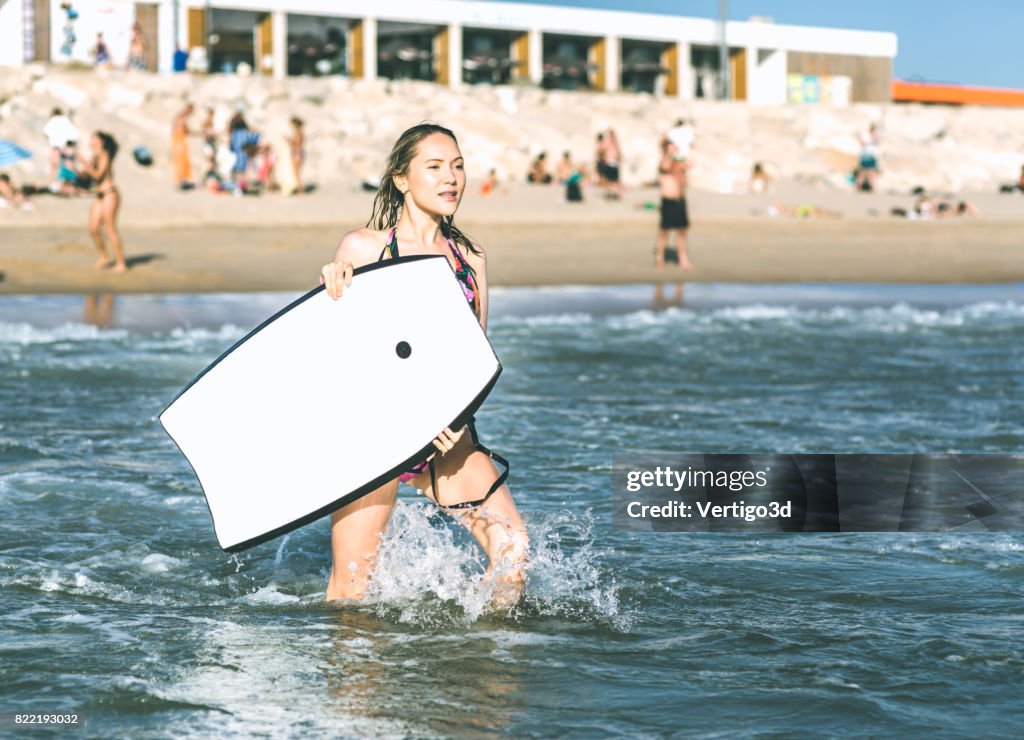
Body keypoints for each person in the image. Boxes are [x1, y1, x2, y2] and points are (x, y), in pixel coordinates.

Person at [318, 123, 529, 606]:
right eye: (433, 167)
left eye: (457, 166)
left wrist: (457, 421)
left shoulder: (469, 258)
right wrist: (333, 285)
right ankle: (353, 676)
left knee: (512, 549)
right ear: (401, 179)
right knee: (351, 589)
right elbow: (333, 354)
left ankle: (482, 667)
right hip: (376, 435)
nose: (450, 178)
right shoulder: (364, 249)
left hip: (444, 434)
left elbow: (473, 357)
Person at [79, 131, 127, 272]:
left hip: (110, 194)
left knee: (110, 229)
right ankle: (104, 257)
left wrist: (85, 165)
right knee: (93, 228)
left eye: (94, 138)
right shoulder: (95, 156)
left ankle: (121, 263)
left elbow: (99, 175)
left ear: (101, 142)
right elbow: (89, 177)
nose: (91, 140)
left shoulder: (104, 155)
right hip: (99, 195)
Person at [655, 140, 693, 270]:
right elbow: (665, 167)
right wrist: (669, 154)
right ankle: (660, 258)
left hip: (680, 200)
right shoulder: (664, 162)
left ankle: (683, 259)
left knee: (681, 231)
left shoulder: (680, 163)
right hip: (668, 201)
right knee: (664, 231)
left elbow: (690, 164)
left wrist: (683, 152)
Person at [172, 103, 195, 190]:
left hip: (180, 140)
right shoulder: (181, 117)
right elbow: (184, 129)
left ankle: (182, 179)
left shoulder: (180, 116)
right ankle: (180, 180)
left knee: (183, 160)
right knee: (181, 160)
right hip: (179, 140)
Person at [855, 123, 880, 192]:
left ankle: (873, 187)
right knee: (862, 171)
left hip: (872, 156)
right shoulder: (865, 135)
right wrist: (870, 139)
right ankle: (858, 186)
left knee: (873, 172)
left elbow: (878, 142)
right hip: (865, 155)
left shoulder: (875, 136)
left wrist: (875, 137)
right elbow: (862, 142)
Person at [289, 117, 305, 194]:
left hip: (297, 152)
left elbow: (295, 143)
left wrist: (288, 141)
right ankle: (299, 188)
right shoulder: (301, 132)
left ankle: (300, 189)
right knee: (297, 172)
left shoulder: (297, 132)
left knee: (296, 172)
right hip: (299, 151)